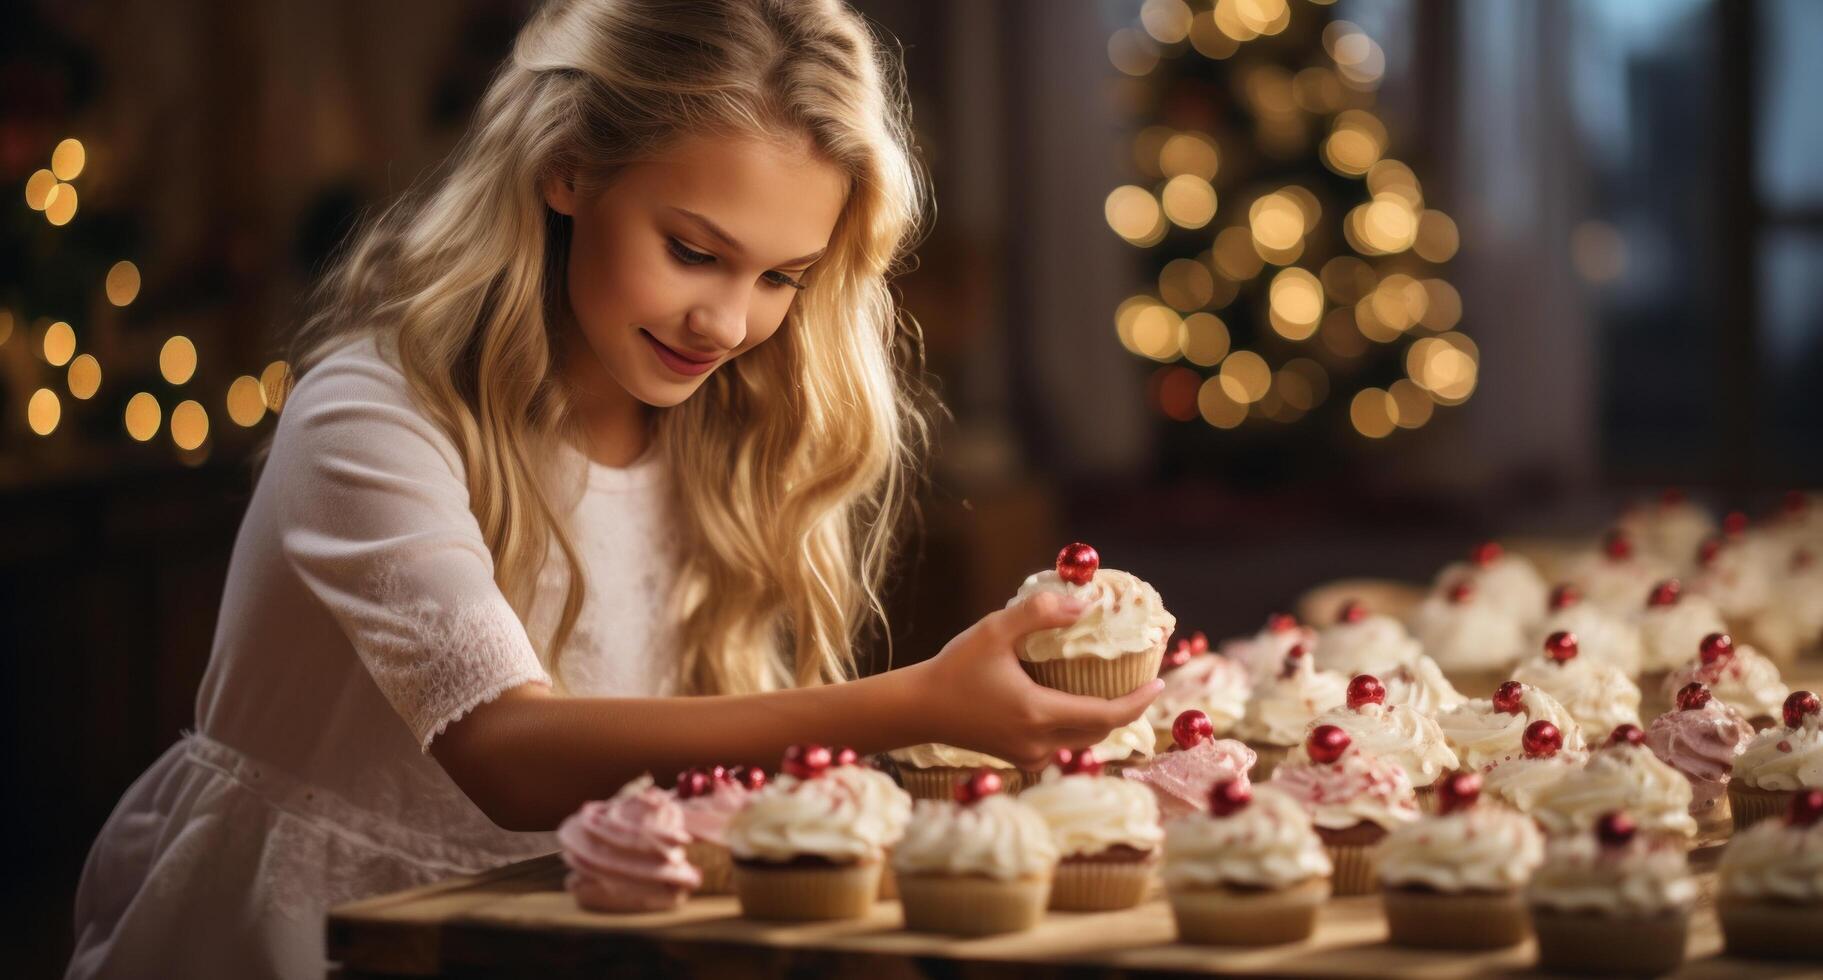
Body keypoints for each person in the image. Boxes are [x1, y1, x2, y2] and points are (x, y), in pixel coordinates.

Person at [66, 2, 1159, 976]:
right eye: (693, 250)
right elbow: (506, 754)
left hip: (568, 920)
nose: (727, 324)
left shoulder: (717, 432)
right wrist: (913, 702)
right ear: (568, 167)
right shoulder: (370, 414)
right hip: (307, 935)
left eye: (780, 277)